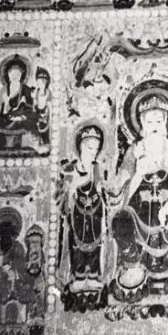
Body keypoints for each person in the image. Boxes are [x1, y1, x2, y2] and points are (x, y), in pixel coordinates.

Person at [110, 85, 168, 301]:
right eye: (149, 122)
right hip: (139, 212)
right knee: (121, 220)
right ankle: (133, 266)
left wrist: (167, 208)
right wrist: (138, 173)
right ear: (141, 126)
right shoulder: (134, 151)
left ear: (167, 125)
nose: (155, 127)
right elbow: (120, 193)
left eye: (159, 121)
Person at [58, 123, 107, 310]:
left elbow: (102, 189)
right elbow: (65, 192)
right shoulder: (71, 168)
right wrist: (74, 185)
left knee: (95, 245)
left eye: (96, 148)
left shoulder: (96, 168)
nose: (93, 152)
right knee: (77, 245)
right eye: (90, 148)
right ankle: (78, 275)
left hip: (95, 212)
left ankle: (93, 275)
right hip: (77, 213)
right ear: (80, 147)